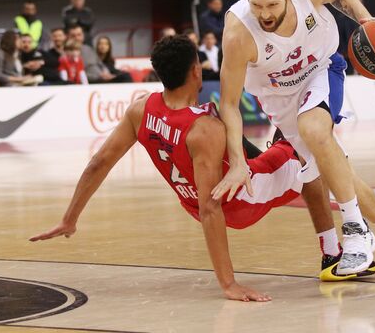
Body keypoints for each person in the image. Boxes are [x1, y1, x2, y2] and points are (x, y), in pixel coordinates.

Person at [30, 35, 309, 301]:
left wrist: (70, 219)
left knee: (265, 142)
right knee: (306, 145)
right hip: (244, 199)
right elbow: (211, 206)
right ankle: (337, 237)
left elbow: (98, 164)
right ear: (196, 71)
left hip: (192, 204)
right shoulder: (203, 129)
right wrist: (228, 283)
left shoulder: (141, 110)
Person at [212, 0, 375, 277]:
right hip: (279, 101)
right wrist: (236, 161)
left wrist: (366, 21)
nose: (264, 14)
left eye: (272, 4)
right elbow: (229, 105)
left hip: (321, 70)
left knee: (314, 129)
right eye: (256, 4)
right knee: (339, 173)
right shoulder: (238, 34)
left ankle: (356, 233)